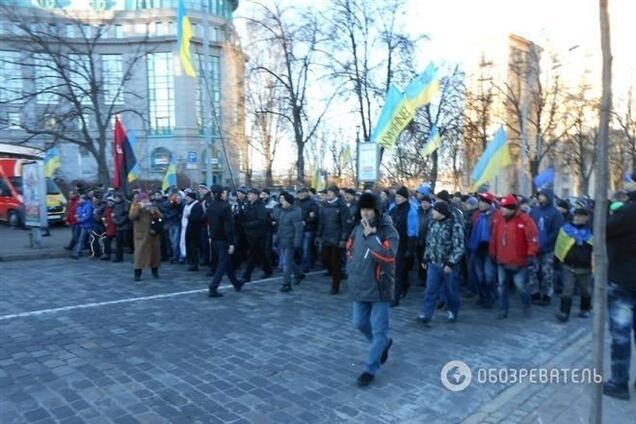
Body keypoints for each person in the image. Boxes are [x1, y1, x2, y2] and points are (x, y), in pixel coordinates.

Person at [346, 192, 398, 387]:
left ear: (376, 211)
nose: (365, 214)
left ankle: (370, 369)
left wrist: (372, 237)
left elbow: (388, 256)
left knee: (379, 331)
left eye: (369, 210)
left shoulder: (388, 231)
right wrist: (351, 268)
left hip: (379, 287)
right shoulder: (357, 229)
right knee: (359, 323)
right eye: (363, 209)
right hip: (360, 285)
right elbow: (350, 250)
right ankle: (383, 344)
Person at [603, 171, 636, 400]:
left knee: (621, 336)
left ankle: (619, 382)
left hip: (624, 281)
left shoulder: (627, 212)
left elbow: (604, 230)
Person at [490, 194, 539, 320]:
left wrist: (530, 255)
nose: (501, 209)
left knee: (521, 286)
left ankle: (527, 305)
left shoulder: (525, 220)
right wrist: (493, 252)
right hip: (501, 259)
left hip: (519, 261)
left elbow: (532, 239)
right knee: (501, 286)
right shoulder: (499, 218)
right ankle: (503, 309)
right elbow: (494, 237)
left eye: (504, 207)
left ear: (512, 208)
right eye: (501, 207)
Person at [417, 202, 465, 325]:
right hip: (433, 263)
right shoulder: (432, 223)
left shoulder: (454, 225)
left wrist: (451, 263)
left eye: (435, 210)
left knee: (451, 290)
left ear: (441, 212)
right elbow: (429, 242)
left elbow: (459, 246)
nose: (432, 212)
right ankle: (425, 314)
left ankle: (452, 311)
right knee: (430, 289)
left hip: (448, 265)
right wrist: (425, 258)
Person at [554, 208, 593, 322]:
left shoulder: (591, 231)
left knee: (585, 290)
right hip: (568, 266)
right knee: (567, 290)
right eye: (576, 215)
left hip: (585, 267)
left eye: (581, 216)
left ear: (586, 218)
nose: (577, 218)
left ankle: (585, 309)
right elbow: (560, 246)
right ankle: (564, 312)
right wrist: (558, 260)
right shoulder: (566, 230)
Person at [207, 185, 243, 297]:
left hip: (214, 239)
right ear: (221, 193)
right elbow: (229, 227)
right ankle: (213, 287)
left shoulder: (210, 206)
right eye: (224, 192)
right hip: (223, 240)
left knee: (226, 263)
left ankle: (236, 283)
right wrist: (231, 242)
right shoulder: (225, 207)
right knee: (222, 264)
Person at [529, 188, 563, 306]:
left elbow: (556, 230)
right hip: (534, 247)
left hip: (548, 249)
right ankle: (535, 293)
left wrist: (547, 243)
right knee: (533, 270)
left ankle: (547, 294)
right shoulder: (534, 211)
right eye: (539, 195)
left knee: (546, 272)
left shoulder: (555, 213)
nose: (540, 198)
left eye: (543, 195)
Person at [388, 186, 419, 307]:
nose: (397, 199)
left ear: (405, 198)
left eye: (400, 197)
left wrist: (410, 249)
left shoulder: (411, 210)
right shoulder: (393, 208)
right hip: (391, 242)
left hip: (403, 244)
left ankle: (395, 297)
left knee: (398, 271)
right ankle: (404, 285)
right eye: (396, 196)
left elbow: (412, 230)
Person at [467, 192, 498, 309]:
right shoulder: (476, 215)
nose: (480, 204)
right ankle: (482, 295)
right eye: (480, 202)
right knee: (479, 275)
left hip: (489, 250)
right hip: (477, 249)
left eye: (483, 202)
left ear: (489, 204)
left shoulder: (496, 215)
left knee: (489, 275)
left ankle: (491, 296)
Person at [317, 185, 349, 295]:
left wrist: (343, 238)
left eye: (330, 192)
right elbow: (321, 222)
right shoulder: (324, 206)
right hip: (326, 237)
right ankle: (339, 274)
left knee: (336, 262)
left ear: (335, 193)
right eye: (327, 192)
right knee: (324, 259)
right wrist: (318, 235)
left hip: (337, 238)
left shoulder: (342, 206)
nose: (328, 194)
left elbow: (345, 224)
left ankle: (335, 286)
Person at [240, 188, 273, 283]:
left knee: (252, 254)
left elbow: (261, 220)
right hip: (249, 234)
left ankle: (247, 275)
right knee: (261, 253)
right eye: (248, 194)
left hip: (259, 234)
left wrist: (247, 225)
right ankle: (268, 270)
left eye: (250, 194)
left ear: (256, 195)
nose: (248, 196)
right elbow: (244, 217)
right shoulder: (247, 205)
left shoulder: (260, 206)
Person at [129, 192, 163, 281]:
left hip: (153, 235)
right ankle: (137, 274)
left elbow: (161, 217)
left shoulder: (153, 207)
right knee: (139, 254)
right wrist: (139, 208)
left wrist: (154, 212)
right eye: (143, 199)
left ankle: (155, 271)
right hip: (141, 235)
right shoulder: (135, 206)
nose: (145, 201)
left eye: (146, 199)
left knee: (154, 254)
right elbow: (131, 216)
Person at [277, 192, 304, 292]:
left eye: (283, 200)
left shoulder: (295, 213)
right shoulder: (283, 211)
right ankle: (299, 273)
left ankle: (286, 284)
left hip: (290, 241)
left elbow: (298, 229)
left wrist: (297, 243)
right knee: (288, 261)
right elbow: (281, 227)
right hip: (283, 239)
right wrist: (277, 238)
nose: (281, 201)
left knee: (286, 263)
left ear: (288, 202)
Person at [297, 187, 320, 273]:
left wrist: (306, 221)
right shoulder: (297, 202)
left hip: (308, 229)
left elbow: (315, 216)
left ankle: (306, 266)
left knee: (306, 248)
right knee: (299, 247)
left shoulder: (312, 203)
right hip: (299, 229)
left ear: (307, 193)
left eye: (303, 192)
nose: (301, 194)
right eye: (299, 193)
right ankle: (305, 263)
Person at [181, 192, 205, 271]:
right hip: (188, 228)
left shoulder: (197, 206)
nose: (186, 199)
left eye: (188, 197)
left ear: (192, 198)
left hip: (194, 230)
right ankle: (190, 262)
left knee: (193, 247)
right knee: (189, 246)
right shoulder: (187, 205)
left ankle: (194, 264)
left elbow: (198, 219)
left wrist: (189, 217)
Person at [416, 193, 434, 286]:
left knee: (426, 259)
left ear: (430, 203)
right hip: (418, 239)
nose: (424, 204)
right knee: (420, 259)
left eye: (426, 202)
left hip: (428, 240)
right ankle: (422, 278)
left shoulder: (432, 213)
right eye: (423, 202)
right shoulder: (418, 211)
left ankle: (427, 279)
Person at [163, 189, 184, 264]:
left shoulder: (180, 202)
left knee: (176, 241)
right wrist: (172, 201)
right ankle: (174, 255)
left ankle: (176, 256)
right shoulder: (167, 202)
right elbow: (165, 210)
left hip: (177, 223)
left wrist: (178, 202)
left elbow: (181, 209)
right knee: (172, 241)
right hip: (170, 223)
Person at [71, 194, 94, 259]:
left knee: (92, 240)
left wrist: (79, 219)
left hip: (89, 226)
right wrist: (79, 218)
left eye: (80, 199)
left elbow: (88, 216)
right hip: (83, 226)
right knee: (81, 240)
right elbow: (78, 214)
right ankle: (77, 253)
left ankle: (95, 252)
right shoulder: (80, 206)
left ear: (84, 199)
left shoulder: (88, 206)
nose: (79, 200)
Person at [111, 191, 132, 262]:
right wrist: (116, 221)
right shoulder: (115, 205)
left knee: (127, 240)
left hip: (125, 225)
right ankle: (118, 257)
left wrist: (119, 222)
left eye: (117, 197)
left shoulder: (126, 204)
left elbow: (126, 215)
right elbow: (113, 215)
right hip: (118, 226)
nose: (116, 199)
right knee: (118, 242)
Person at [100, 196, 117, 261]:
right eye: (109, 201)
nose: (109, 202)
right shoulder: (106, 208)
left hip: (114, 227)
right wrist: (104, 221)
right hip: (108, 227)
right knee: (107, 242)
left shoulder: (115, 208)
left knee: (116, 243)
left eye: (111, 201)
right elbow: (104, 216)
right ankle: (107, 254)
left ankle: (113, 255)